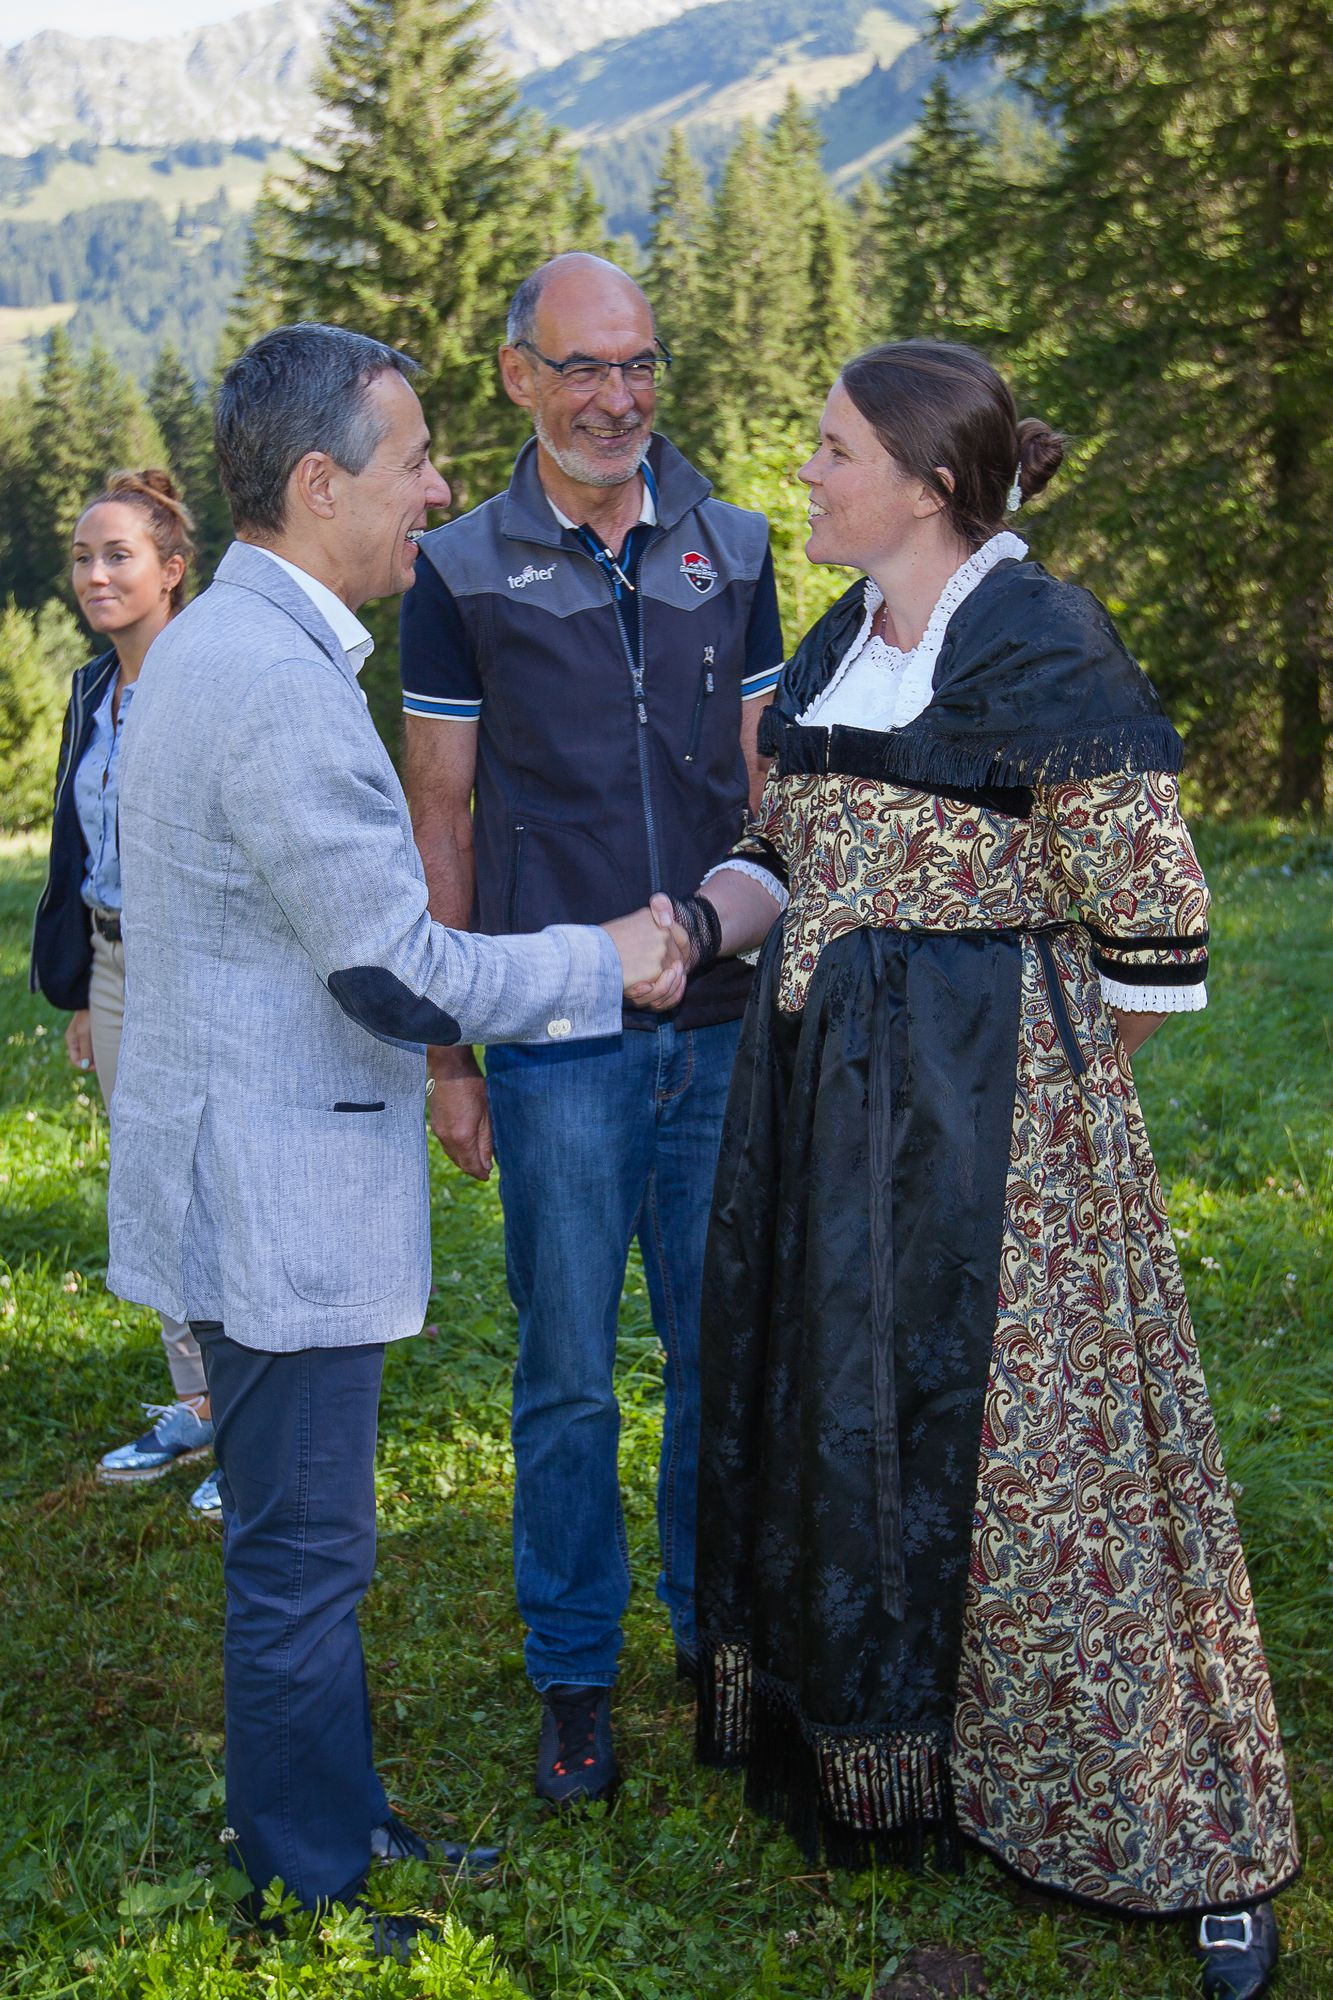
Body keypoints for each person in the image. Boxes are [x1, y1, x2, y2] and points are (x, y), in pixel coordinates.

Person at [681, 343, 1297, 2000]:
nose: (801, 473)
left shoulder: (1032, 632)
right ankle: (903, 1757)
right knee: (857, 1421)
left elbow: (1152, 932)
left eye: (826, 449)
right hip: (824, 1121)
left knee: (1036, 1465)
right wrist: (682, 928)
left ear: (924, 480)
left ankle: (1153, 1813)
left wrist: (1003, 1086)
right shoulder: (837, 639)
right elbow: (776, 853)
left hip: (989, 1135)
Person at [104, 321, 683, 1954]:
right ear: (315, 484)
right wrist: (607, 960)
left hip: (245, 1170)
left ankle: (330, 1818)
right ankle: (312, 1874)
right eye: (413, 459)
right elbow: (389, 963)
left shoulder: (234, 647)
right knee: (302, 1557)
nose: (438, 489)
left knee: (308, 1543)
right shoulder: (269, 679)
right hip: (268, 1194)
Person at [398, 252, 784, 1804]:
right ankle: (574, 1671)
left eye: (637, 364)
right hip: (553, 1037)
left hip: (729, 1020)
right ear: (516, 376)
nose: (616, 398)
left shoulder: (735, 545)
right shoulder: (457, 570)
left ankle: (714, 1642)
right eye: (581, 368)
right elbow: (441, 810)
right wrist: (444, 1050)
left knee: (719, 1351)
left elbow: (773, 791)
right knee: (566, 1369)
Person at [30, 469, 220, 1515]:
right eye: (83, 556)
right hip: (113, 965)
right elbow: (78, 845)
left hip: (198, 962)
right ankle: (195, 1402)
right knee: (151, 1187)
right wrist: (80, 994)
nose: (96, 574)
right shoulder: (91, 689)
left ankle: (256, 1422)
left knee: (218, 1182)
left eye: (119, 555)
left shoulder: (207, 679)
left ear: (172, 568)